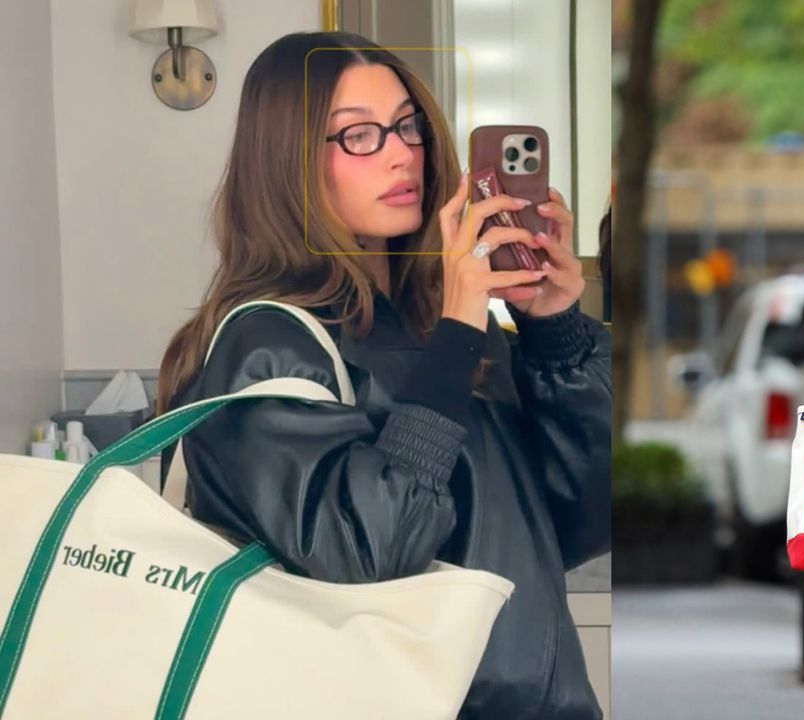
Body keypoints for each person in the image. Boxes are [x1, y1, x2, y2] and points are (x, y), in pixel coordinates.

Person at [154, 32, 610, 719]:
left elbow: (576, 522)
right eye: (358, 135)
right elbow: (367, 554)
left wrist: (554, 331)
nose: (401, 153)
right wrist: (458, 335)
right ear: (290, 162)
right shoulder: (267, 344)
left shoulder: (448, 329)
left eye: (407, 127)